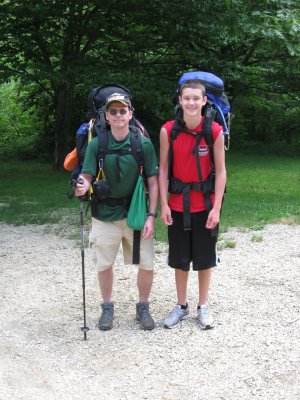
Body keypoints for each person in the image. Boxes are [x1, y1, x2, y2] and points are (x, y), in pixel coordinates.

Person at [75, 93, 159, 331]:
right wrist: (82, 184)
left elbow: (153, 182)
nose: (119, 115)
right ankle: (107, 306)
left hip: (135, 214)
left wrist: (152, 216)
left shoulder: (142, 144)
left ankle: (143, 306)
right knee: (104, 263)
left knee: (146, 262)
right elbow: (88, 175)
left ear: (130, 114)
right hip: (104, 215)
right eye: (113, 111)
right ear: (106, 116)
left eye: (123, 111)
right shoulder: (97, 144)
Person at [158, 79, 226, 329]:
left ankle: (203, 306)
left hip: (205, 205)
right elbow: (163, 170)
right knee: (179, 258)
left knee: (205, 258)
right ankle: (181, 305)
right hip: (177, 204)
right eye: (187, 98)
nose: (191, 103)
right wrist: (164, 204)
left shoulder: (215, 131)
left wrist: (217, 207)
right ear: (180, 100)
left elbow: (221, 172)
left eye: (196, 98)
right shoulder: (168, 131)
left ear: (204, 100)